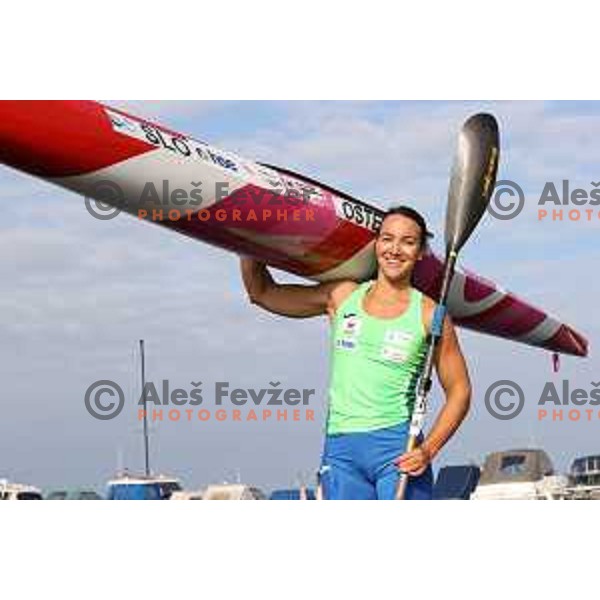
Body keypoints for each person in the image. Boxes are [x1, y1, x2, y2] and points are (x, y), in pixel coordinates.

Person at [239, 205, 471, 500]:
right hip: (341, 451)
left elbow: (460, 390)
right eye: (387, 239)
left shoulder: (430, 314)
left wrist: (429, 449)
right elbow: (262, 293)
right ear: (376, 244)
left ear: (421, 251)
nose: (395, 249)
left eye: (407, 242)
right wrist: (245, 241)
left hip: (397, 448)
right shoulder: (342, 296)